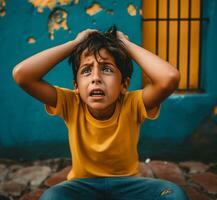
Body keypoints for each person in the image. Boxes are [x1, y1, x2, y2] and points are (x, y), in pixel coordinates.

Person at [12, 26, 189, 200]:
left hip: (127, 186)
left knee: (173, 193)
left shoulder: (132, 104)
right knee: (51, 197)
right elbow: (22, 74)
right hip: (82, 187)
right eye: (86, 70)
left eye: (107, 69)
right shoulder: (71, 104)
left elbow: (169, 78)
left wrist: (125, 44)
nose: (96, 78)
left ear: (124, 85)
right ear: (76, 87)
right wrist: (75, 44)